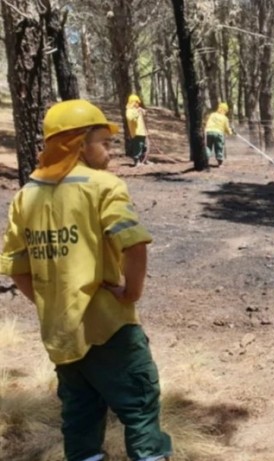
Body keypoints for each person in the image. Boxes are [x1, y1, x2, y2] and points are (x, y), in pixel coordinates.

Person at [0, 100, 172, 461]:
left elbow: (17, 267)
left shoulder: (25, 196)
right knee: (140, 408)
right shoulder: (103, 186)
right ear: (79, 143)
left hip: (61, 332)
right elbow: (135, 243)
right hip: (109, 327)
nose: (110, 150)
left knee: (79, 417)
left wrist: (51, 302)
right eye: (103, 142)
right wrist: (132, 293)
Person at [204, 102, 234, 167]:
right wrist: (230, 133)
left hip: (209, 132)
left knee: (208, 147)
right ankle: (220, 164)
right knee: (219, 147)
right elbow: (227, 128)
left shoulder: (212, 115)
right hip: (218, 133)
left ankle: (205, 162)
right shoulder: (224, 118)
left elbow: (207, 123)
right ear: (225, 110)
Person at [125, 94, 149, 167]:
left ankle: (144, 160)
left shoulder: (137, 109)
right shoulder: (129, 110)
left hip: (142, 132)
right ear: (132, 102)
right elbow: (130, 118)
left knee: (144, 147)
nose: (138, 104)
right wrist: (137, 112)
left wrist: (142, 111)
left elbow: (145, 113)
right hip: (136, 132)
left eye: (138, 102)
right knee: (137, 147)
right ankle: (137, 161)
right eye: (136, 102)